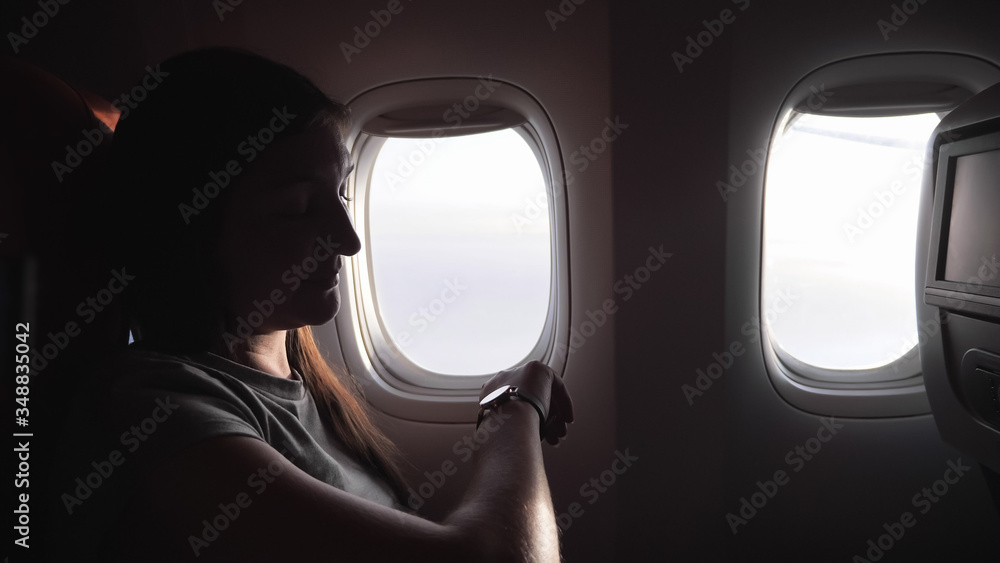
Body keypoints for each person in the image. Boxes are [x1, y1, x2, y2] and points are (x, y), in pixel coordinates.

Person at [45, 48, 573, 562]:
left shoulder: (296, 382)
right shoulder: (155, 416)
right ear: (190, 233)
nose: (348, 240)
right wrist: (510, 407)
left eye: (341, 192)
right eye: (298, 208)